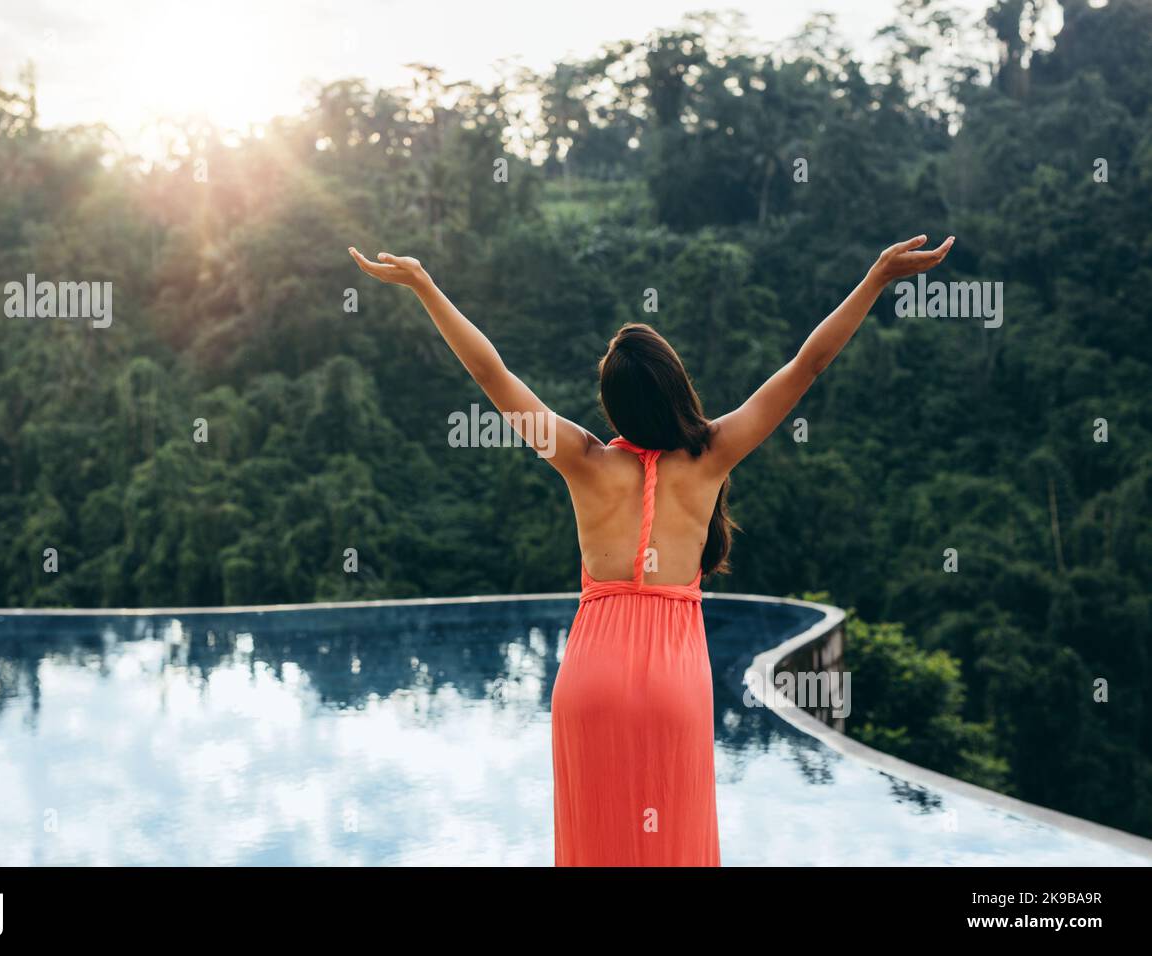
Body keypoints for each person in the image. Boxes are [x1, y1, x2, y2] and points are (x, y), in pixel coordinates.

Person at [349, 233, 954, 866]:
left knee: (598, 844)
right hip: (673, 681)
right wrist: (877, 277)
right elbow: (807, 364)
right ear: (677, 389)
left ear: (613, 402)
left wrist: (424, 285)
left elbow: (489, 373)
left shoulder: (581, 459)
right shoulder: (712, 456)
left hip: (591, 680)